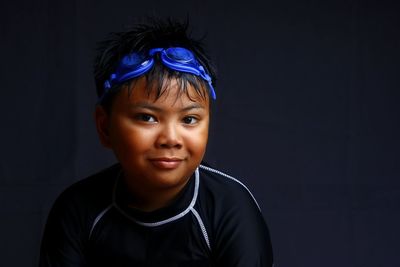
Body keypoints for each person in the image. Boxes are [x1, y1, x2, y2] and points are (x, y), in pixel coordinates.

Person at [39, 18, 274, 267]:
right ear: (104, 126)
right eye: (147, 117)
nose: (170, 139)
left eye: (189, 119)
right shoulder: (76, 211)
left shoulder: (230, 210)